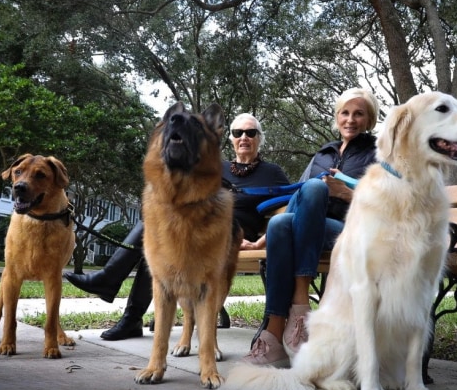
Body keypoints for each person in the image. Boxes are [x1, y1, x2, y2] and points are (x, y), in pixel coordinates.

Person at [64, 113, 289, 340]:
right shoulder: (216, 166)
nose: (244, 138)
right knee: (157, 232)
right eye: (237, 133)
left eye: (250, 133)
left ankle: (114, 288)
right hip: (197, 229)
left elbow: (290, 209)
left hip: (233, 234)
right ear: (230, 139)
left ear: (259, 138)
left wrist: (262, 241)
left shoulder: (272, 173)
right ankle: (128, 312)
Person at [243, 87, 380, 366]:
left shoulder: (377, 153)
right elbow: (300, 197)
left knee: (314, 191)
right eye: (345, 113)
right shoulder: (324, 153)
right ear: (336, 117)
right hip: (309, 229)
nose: (350, 120)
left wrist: (344, 193)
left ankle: (298, 304)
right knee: (282, 222)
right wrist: (261, 242)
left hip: (349, 230)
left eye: (359, 114)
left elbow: (386, 203)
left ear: (369, 119)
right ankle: (275, 336)